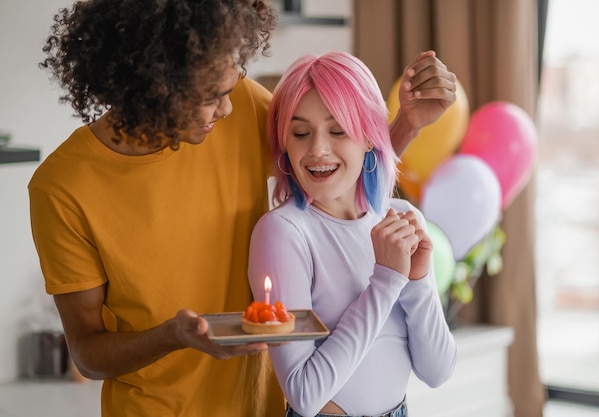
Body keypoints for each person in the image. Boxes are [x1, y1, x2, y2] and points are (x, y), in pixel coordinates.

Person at [28, 0, 457, 416]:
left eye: (230, 88)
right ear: (152, 86)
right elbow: (88, 353)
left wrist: (408, 123)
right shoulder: (63, 187)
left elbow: (333, 168)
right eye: (211, 96)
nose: (228, 107)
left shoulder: (239, 108)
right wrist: (172, 336)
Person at [247, 51, 457, 417]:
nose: (317, 150)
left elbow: (438, 371)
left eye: (337, 130)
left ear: (370, 138)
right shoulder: (282, 232)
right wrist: (387, 281)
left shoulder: (403, 219)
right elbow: (304, 394)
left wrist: (418, 281)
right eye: (300, 133)